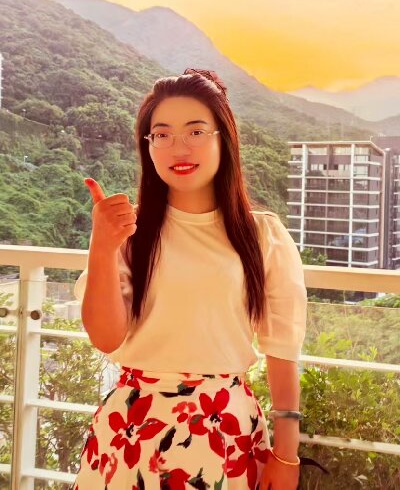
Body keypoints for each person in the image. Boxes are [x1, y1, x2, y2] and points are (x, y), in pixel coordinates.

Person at [70, 68, 308, 490]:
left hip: (224, 429)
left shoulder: (261, 234)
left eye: (196, 131)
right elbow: (106, 338)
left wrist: (286, 455)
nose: (178, 147)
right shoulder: (129, 232)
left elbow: (282, 349)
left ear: (224, 139)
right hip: (132, 428)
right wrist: (102, 245)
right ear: (148, 145)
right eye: (161, 134)